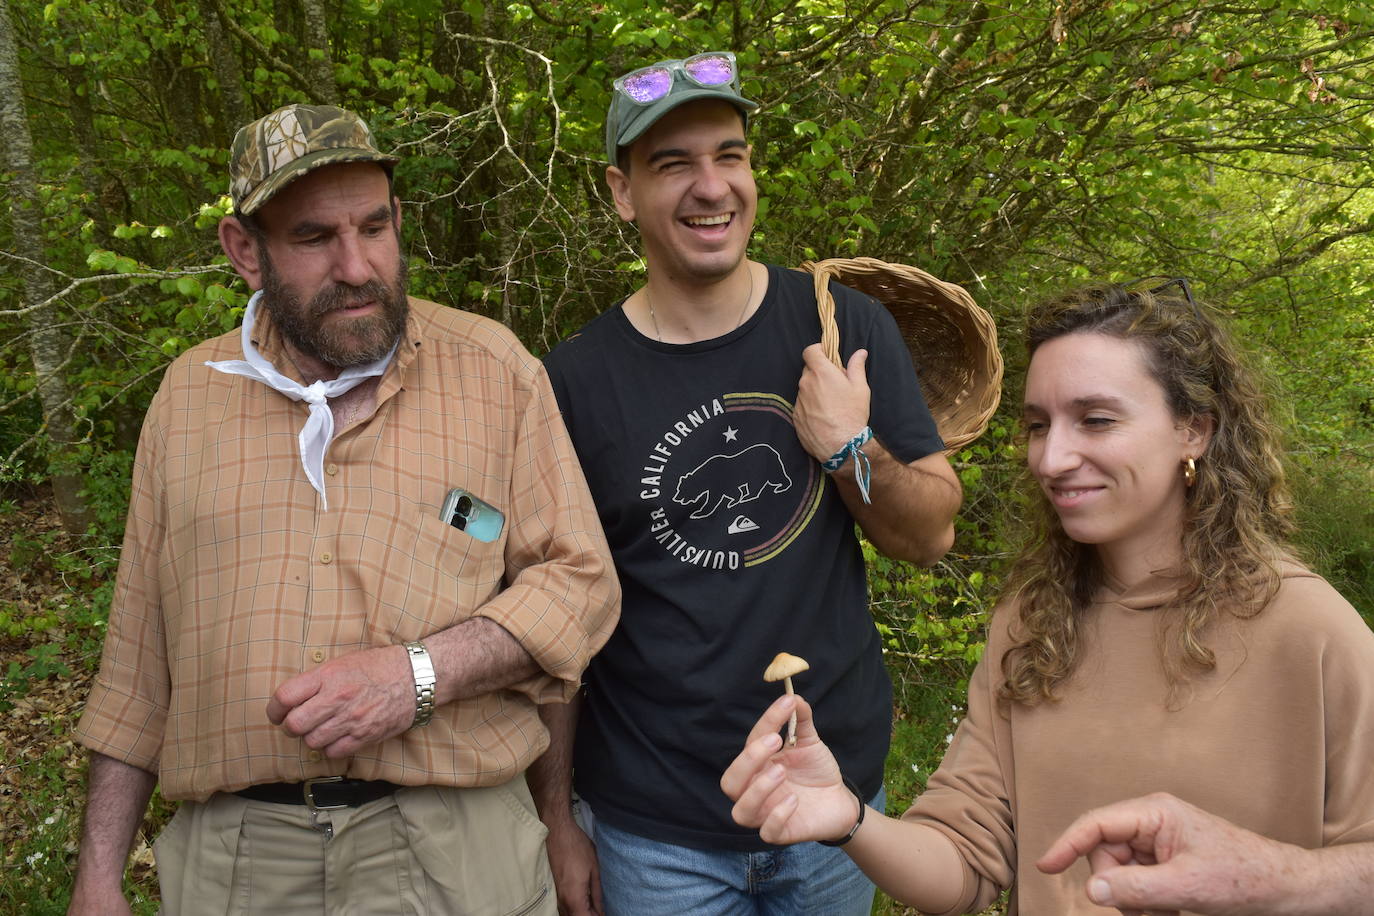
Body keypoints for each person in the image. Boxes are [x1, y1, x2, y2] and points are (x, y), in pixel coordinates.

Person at [68, 103, 620, 915]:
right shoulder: (186, 397)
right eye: (313, 238)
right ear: (244, 250)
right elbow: (136, 665)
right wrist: (96, 877)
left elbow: (579, 585)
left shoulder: (494, 372)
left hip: (455, 853)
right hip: (235, 866)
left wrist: (416, 676)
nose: (358, 265)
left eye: (374, 226)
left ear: (400, 220)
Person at [723, 281, 1374, 914]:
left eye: (1095, 420)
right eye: (1038, 425)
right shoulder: (1034, 622)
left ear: (1193, 431)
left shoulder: (1309, 631)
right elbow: (964, 859)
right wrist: (847, 818)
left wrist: (1269, 878)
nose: (1052, 457)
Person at [532, 52, 963, 915]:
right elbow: (559, 623)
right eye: (673, 165)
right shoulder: (571, 385)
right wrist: (556, 816)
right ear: (622, 193)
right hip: (655, 830)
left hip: (831, 798)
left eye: (730, 156)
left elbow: (930, 535)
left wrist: (850, 450)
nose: (711, 187)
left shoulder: (840, 324)